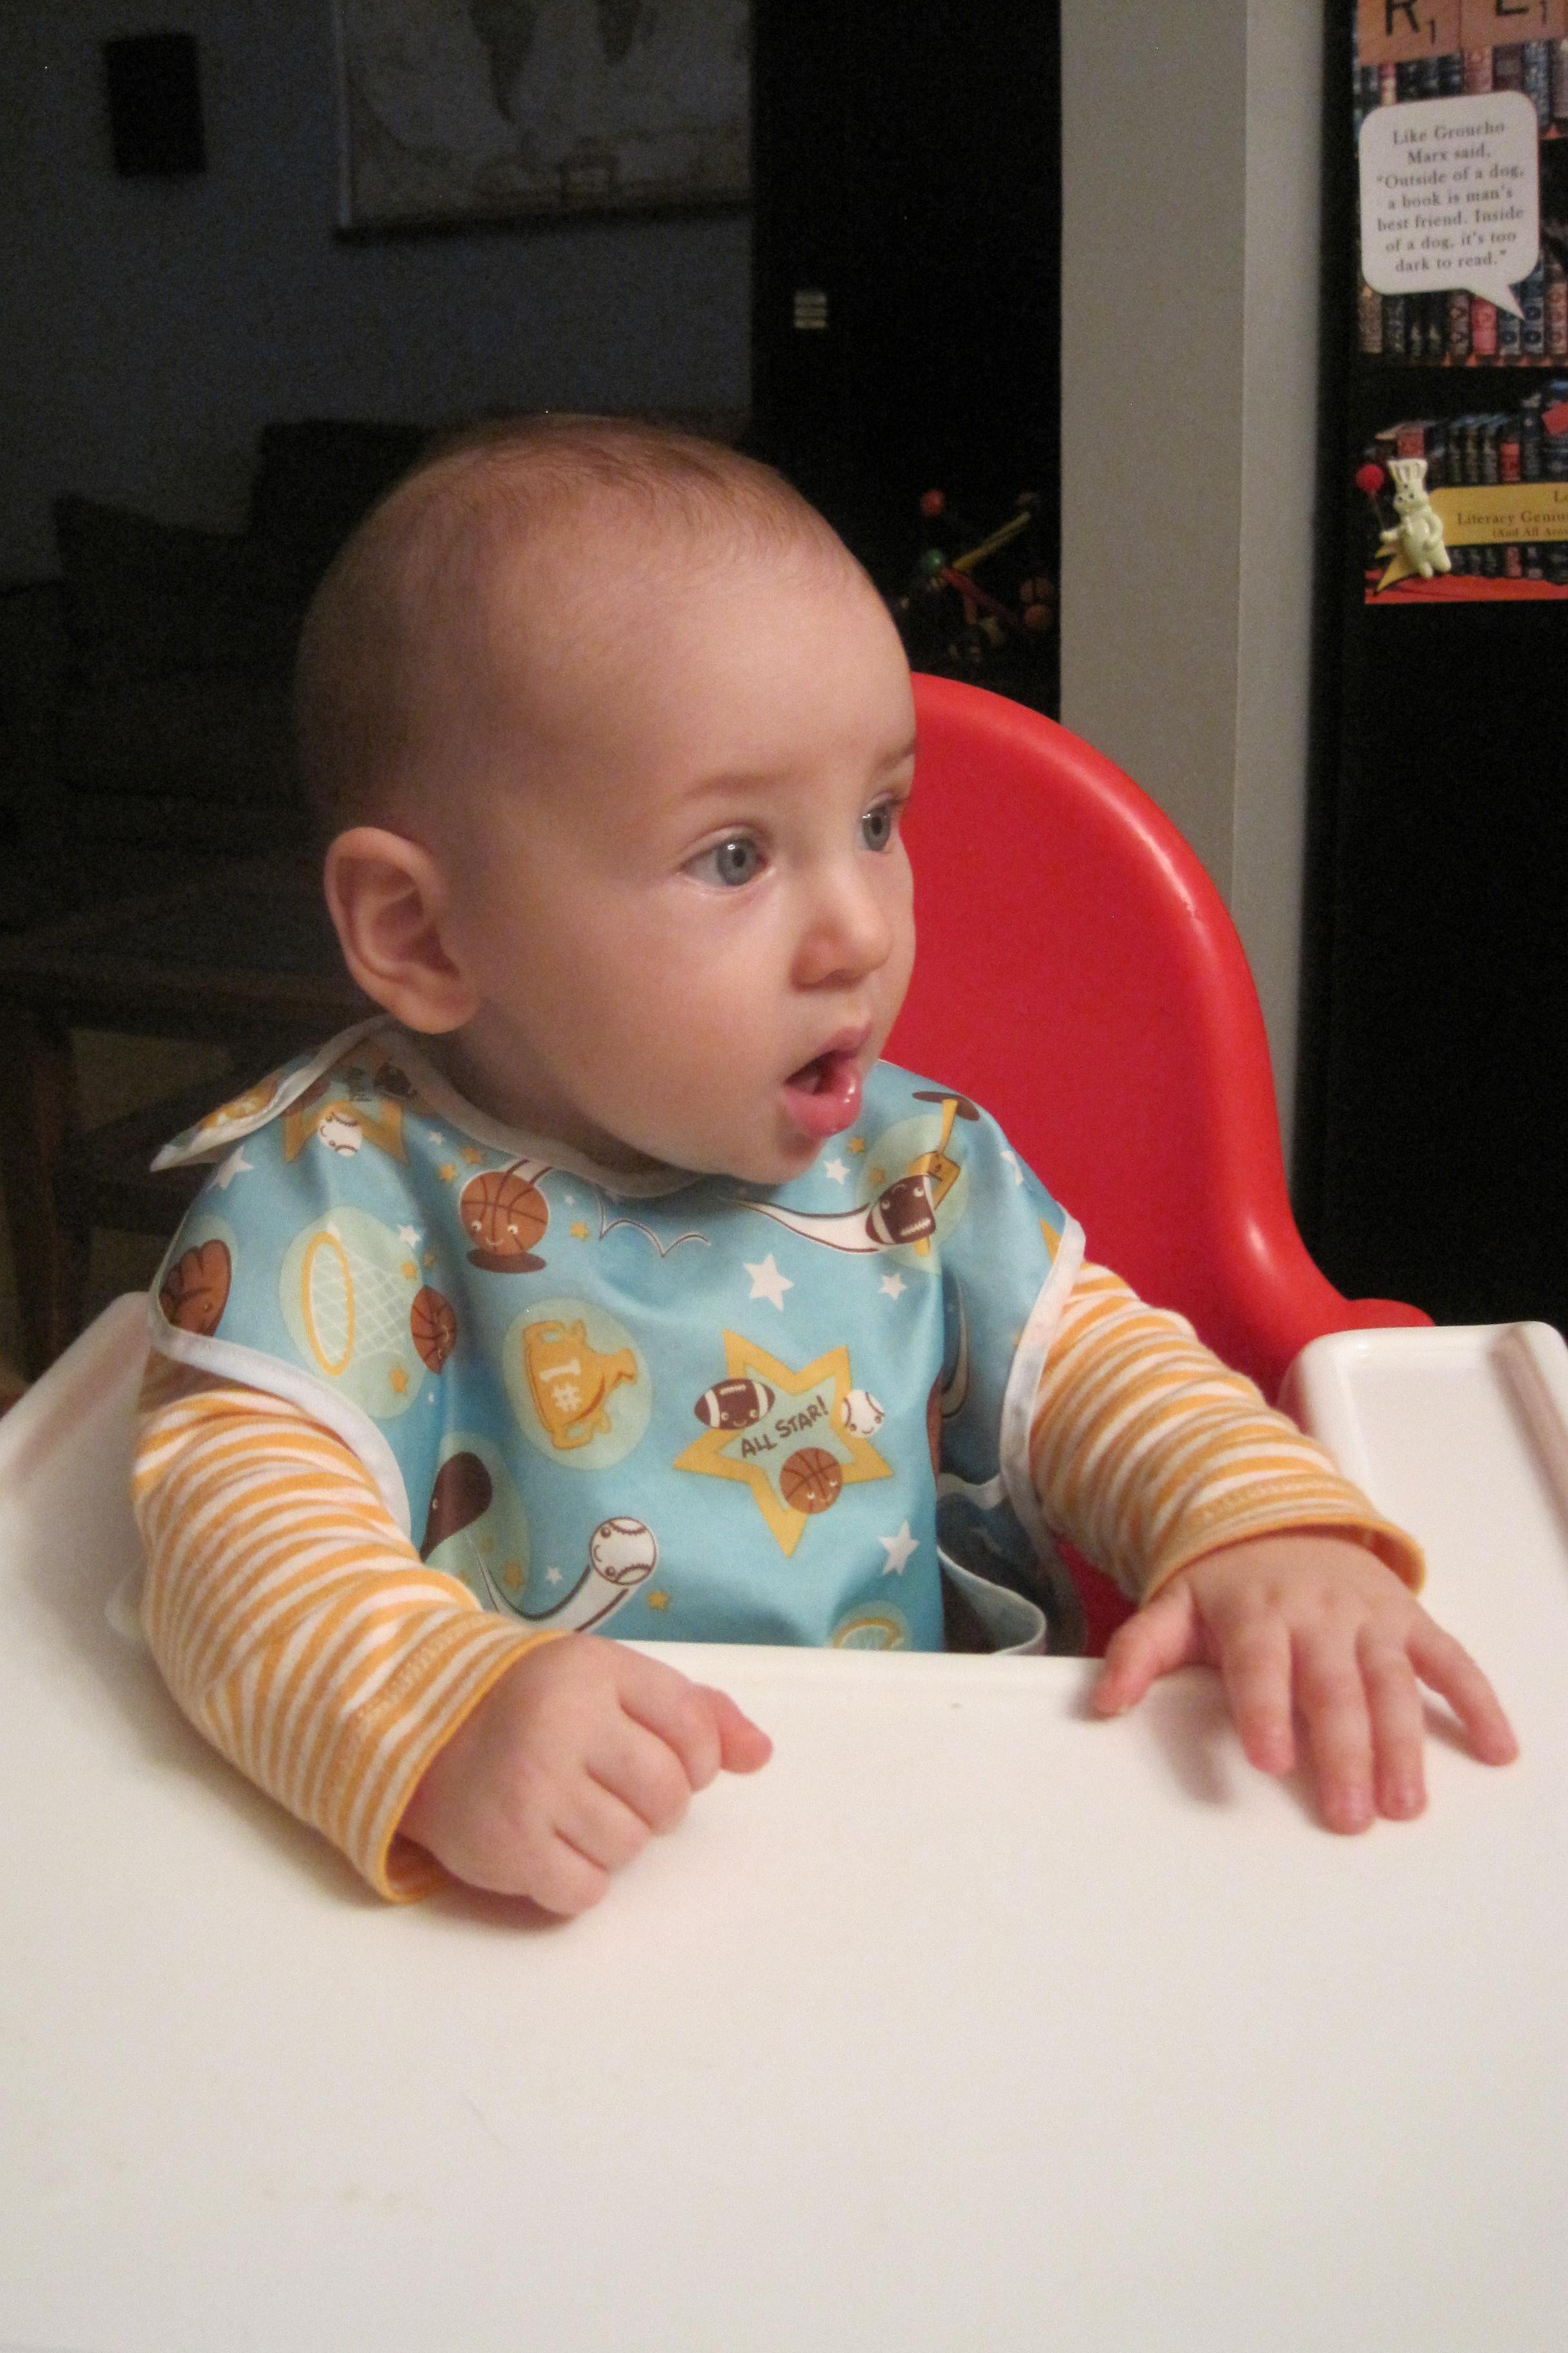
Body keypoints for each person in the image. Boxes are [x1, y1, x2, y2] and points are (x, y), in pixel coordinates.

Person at [132, 418, 1516, 1916]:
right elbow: (233, 1535)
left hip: (925, 1857)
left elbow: (1100, 1374)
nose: (862, 926)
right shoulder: (343, 1200)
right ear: (424, 931)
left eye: (875, 821)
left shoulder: (909, 1171)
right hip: (551, 1909)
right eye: (733, 855)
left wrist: (1259, 1525)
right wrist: (439, 1708)